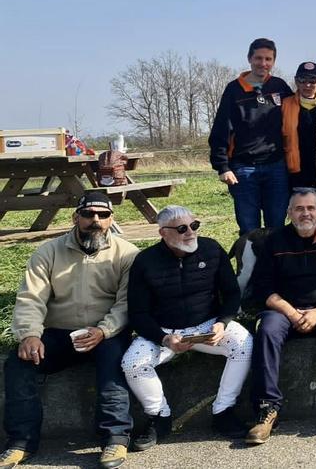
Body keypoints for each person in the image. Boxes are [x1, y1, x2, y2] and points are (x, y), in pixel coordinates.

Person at [3, 192, 138, 469]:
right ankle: (20, 442)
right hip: (59, 333)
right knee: (19, 363)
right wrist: (29, 334)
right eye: (88, 214)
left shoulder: (128, 254)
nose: (95, 221)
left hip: (106, 334)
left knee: (115, 362)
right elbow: (31, 297)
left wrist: (103, 331)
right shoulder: (48, 252)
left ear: (112, 219)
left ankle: (115, 437)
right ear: (75, 217)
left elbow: (127, 303)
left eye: (103, 215)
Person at [122, 206, 252, 450]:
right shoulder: (145, 261)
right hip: (164, 330)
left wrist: (222, 324)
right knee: (132, 363)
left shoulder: (212, 249)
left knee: (243, 344)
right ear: (163, 233)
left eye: (194, 225)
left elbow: (232, 294)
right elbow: (138, 314)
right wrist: (164, 339)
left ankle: (223, 410)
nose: (190, 233)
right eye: (182, 229)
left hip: (206, 325)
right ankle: (159, 417)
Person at [245, 189, 316, 445]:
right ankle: (267, 408)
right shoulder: (273, 241)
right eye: (299, 208)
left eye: (311, 208)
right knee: (266, 330)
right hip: (285, 311)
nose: (305, 213)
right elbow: (263, 289)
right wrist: (290, 312)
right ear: (289, 213)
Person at [209, 37, 294, 236]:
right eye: (258, 58)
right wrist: (222, 166)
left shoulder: (279, 86)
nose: (263, 63)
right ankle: (250, 267)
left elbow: (301, 108)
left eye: (268, 59)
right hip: (243, 169)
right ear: (249, 59)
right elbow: (221, 129)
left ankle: (276, 266)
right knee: (249, 230)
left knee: (277, 227)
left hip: (276, 167)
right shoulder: (233, 90)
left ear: (273, 61)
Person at [281, 61, 316, 189]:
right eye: (302, 80)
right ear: (296, 81)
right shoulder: (285, 104)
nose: (307, 85)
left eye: (313, 80)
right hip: (294, 172)